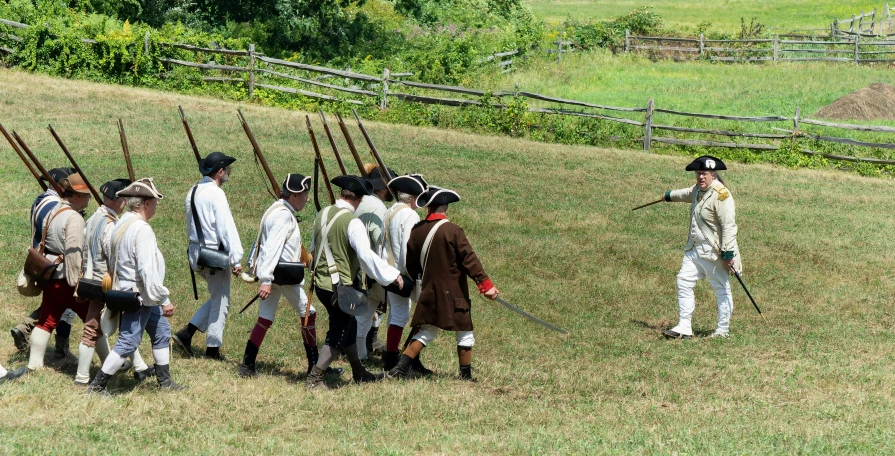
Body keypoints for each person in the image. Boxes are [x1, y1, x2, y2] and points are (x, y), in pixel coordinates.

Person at [387, 186, 499, 382]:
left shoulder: (418, 229)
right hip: (454, 292)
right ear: (446, 207)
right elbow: (470, 260)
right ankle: (465, 376)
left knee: (427, 332)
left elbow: (411, 263)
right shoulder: (453, 231)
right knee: (465, 332)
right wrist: (485, 285)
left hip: (429, 290)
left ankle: (400, 369)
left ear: (428, 207)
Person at [305, 175, 405, 389]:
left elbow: (314, 248)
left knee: (348, 326)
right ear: (358, 199)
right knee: (338, 332)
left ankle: (359, 372)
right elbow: (366, 256)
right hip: (341, 286)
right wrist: (391, 275)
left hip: (322, 284)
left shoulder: (322, 214)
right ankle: (314, 379)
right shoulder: (352, 222)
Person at [238, 174, 341, 378]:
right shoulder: (282, 215)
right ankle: (315, 366)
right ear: (294, 194)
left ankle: (247, 365)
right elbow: (270, 248)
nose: (308, 199)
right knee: (309, 314)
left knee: (265, 319)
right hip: (280, 276)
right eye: (305, 194)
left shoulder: (277, 209)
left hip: (276, 275)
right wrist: (266, 280)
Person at [88, 178, 184, 393]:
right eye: (155, 201)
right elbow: (147, 271)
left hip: (132, 293)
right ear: (145, 203)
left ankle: (165, 382)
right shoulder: (142, 229)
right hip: (140, 296)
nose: (157, 205)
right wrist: (164, 299)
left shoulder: (122, 222)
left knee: (161, 331)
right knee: (128, 342)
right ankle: (97, 385)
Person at [75, 178, 155, 386]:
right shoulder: (110, 224)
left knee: (123, 327)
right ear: (117, 200)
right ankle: (82, 377)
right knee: (93, 329)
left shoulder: (94, 217)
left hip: (92, 279)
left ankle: (140, 368)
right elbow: (115, 254)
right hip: (106, 283)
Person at [660, 155, 741, 340]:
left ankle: (722, 330)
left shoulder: (722, 195)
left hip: (715, 253)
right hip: (695, 250)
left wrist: (728, 254)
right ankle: (684, 326)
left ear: (713, 174)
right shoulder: (697, 190)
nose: (700, 177)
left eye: (704, 174)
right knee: (683, 281)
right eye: (698, 174)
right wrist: (668, 196)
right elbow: (685, 193)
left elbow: (729, 226)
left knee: (721, 289)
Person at [173, 152, 244, 360]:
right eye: (227, 170)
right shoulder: (216, 194)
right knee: (221, 301)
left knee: (216, 298)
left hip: (197, 254)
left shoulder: (193, 190)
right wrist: (236, 258)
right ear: (220, 172)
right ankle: (212, 350)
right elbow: (226, 228)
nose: (228, 173)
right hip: (214, 255)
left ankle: (187, 334)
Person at [25, 173, 92, 373]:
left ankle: (33, 365)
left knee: (45, 321)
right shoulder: (74, 218)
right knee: (93, 323)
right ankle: (109, 364)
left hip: (50, 276)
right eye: (87, 194)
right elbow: (73, 254)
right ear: (78, 195)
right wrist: (77, 285)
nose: (89, 198)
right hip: (66, 280)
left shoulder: (54, 210)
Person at [11, 167, 78, 356]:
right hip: (53, 263)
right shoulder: (53, 205)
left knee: (58, 304)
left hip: (43, 262)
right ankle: (55, 345)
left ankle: (32, 331)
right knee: (66, 304)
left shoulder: (43, 200)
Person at [380, 174, 431, 373]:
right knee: (406, 316)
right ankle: (395, 361)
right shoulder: (410, 215)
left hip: (388, 271)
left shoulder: (390, 210)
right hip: (402, 273)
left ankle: (403, 358)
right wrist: (414, 275)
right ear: (412, 197)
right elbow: (408, 248)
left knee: (398, 315)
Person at [353, 164, 397, 361]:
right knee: (375, 310)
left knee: (364, 313)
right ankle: (386, 353)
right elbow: (381, 242)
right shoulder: (378, 207)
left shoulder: (360, 201)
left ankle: (361, 352)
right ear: (383, 186)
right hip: (370, 268)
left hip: (355, 265)